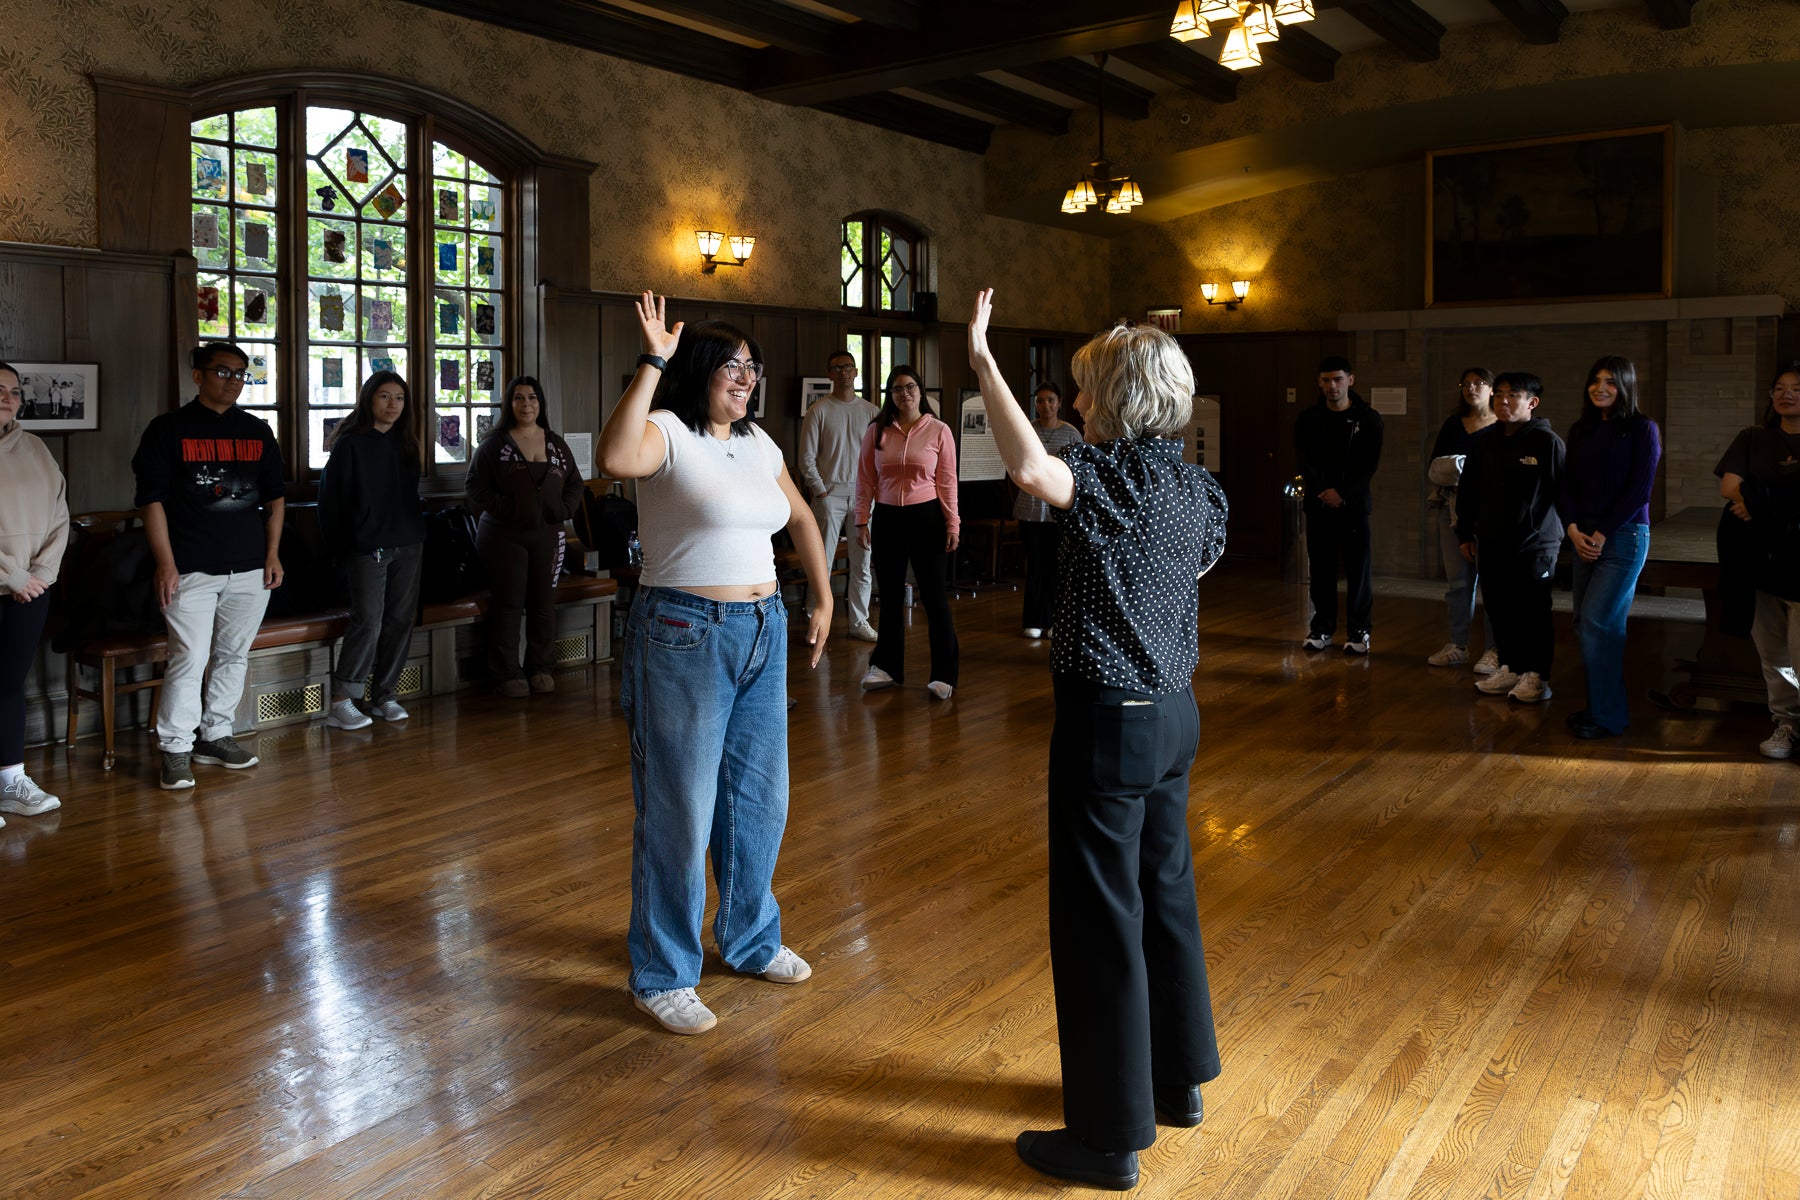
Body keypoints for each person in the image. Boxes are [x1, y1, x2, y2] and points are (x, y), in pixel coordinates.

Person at [969, 291, 1227, 1191]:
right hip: (1174, 716)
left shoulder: (1110, 479)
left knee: (1098, 922)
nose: (1075, 406)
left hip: (1108, 720)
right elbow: (1188, 568)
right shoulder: (1199, 487)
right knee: (1165, 896)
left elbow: (1032, 469)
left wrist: (982, 360)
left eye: (1084, 392)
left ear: (1114, 399)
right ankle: (1176, 1083)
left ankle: (1108, 1138)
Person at [598, 292, 832, 1036]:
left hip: (764, 626)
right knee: (681, 808)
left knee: (760, 801)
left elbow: (799, 515)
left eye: (753, 367)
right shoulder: (667, 432)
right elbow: (612, 457)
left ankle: (750, 938)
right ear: (696, 369)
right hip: (683, 631)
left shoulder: (759, 444)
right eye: (731, 366)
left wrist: (822, 595)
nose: (747, 377)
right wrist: (652, 361)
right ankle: (662, 973)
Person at [132, 341, 286, 791]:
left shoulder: (258, 431)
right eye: (223, 372)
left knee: (233, 655)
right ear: (197, 375)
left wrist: (272, 554)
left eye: (241, 373)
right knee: (189, 657)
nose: (233, 381)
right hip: (190, 568)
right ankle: (176, 748)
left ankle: (216, 735)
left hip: (250, 568)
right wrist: (165, 564)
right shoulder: (167, 430)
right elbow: (152, 502)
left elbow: (276, 500)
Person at [1557, 356, 1661, 738]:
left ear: (1626, 386)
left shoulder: (1641, 428)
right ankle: (1604, 711)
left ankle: (1606, 716)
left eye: (1611, 382)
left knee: (1597, 623)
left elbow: (1640, 490)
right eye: (1595, 380)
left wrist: (1600, 534)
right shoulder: (1581, 429)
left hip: (1624, 537)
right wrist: (1571, 529)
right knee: (1588, 624)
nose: (1601, 388)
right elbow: (1566, 486)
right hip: (1582, 537)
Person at [318, 370, 425, 730]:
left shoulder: (406, 442)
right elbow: (330, 503)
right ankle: (342, 700)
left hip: (408, 544)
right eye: (384, 396)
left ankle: (384, 695)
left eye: (399, 398)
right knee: (368, 620)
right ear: (369, 399)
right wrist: (344, 548)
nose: (392, 404)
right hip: (367, 549)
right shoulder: (350, 444)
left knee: (399, 621)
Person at [466, 376, 585, 698]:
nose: (526, 404)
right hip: (503, 536)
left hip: (548, 535)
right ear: (509, 404)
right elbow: (475, 485)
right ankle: (506, 673)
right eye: (519, 398)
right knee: (508, 604)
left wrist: (564, 509)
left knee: (543, 604)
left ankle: (540, 668)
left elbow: (575, 483)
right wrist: (506, 507)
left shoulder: (556, 444)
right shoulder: (495, 443)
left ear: (540, 403)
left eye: (532, 398)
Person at [1457, 372, 1566, 705]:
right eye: (1499, 394)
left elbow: (1564, 494)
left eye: (1513, 395)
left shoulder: (1548, 443)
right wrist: (1465, 531)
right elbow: (1468, 491)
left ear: (1531, 402)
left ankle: (1537, 676)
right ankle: (1511, 667)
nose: (1503, 401)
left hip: (1536, 545)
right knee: (1499, 609)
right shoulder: (1485, 442)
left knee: (1532, 611)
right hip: (1491, 542)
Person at [854, 366, 961, 698]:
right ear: (891, 395)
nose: (905, 394)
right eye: (897, 389)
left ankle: (944, 673)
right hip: (886, 517)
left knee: (933, 597)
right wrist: (861, 519)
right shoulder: (878, 431)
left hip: (927, 517)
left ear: (920, 390)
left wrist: (953, 522)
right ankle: (886, 667)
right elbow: (865, 478)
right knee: (888, 597)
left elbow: (947, 481)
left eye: (911, 387)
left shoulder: (939, 430)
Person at [1715, 362, 1800, 759]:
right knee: (1774, 654)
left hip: (1799, 560)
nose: (1787, 394)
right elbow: (1729, 486)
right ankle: (1786, 724)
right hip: (1757, 560)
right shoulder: (1753, 437)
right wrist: (1767, 500)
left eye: (1797, 388)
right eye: (1779, 388)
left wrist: (1758, 501)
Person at [0, 361, 68, 823]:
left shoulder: (37, 448)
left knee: (8, 686)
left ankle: (10, 780)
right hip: (15, 582)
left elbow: (60, 516)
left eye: (14, 391)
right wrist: (13, 576)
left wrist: (39, 573)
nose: (7, 397)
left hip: (33, 588)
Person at [1295, 355, 1383, 654]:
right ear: (1319, 383)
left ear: (1350, 380)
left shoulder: (1368, 418)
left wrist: (1342, 492)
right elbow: (1304, 460)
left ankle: (1359, 632)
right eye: (1326, 380)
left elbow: (1368, 464)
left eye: (1338, 379)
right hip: (1319, 505)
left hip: (1354, 506)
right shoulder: (1308, 418)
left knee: (1358, 571)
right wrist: (1323, 491)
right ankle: (1322, 628)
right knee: (1321, 570)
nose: (1332, 386)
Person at [799, 349, 878, 642]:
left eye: (847, 367)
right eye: (836, 368)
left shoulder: (871, 412)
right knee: (822, 561)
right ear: (829, 374)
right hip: (828, 494)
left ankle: (860, 621)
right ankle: (814, 618)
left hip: (862, 497)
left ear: (856, 372)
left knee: (863, 562)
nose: (843, 372)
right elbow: (806, 457)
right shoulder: (818, 410)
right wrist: (820, 490)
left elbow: (878, 458)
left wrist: (872, 494)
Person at [1426, 368, 1498, 671]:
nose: (1472, 388)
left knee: (1493, 583)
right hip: (1451, 510)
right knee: (1458, 582)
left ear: (1492, 389)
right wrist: (1467, 468)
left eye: (1479, 383)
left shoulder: (1500, 426)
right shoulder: (1453, 424)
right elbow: (1435, 469)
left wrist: (1460, 468)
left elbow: (1494, 472)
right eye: (1466, 384)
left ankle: (1495, 650)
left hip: (1490, 512)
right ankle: (1458, 644)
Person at [1014, 382, 1082, 639]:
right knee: (1035, 567)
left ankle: (1055, 622)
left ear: (1060, 402)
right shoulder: (1027, 430)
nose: (1045, 406)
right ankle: (1033, 620)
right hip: (1030, 510)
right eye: (1040, 401)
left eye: (1050, 400)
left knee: (1056, 568)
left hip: (1059, 512)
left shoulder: (1072, 433)